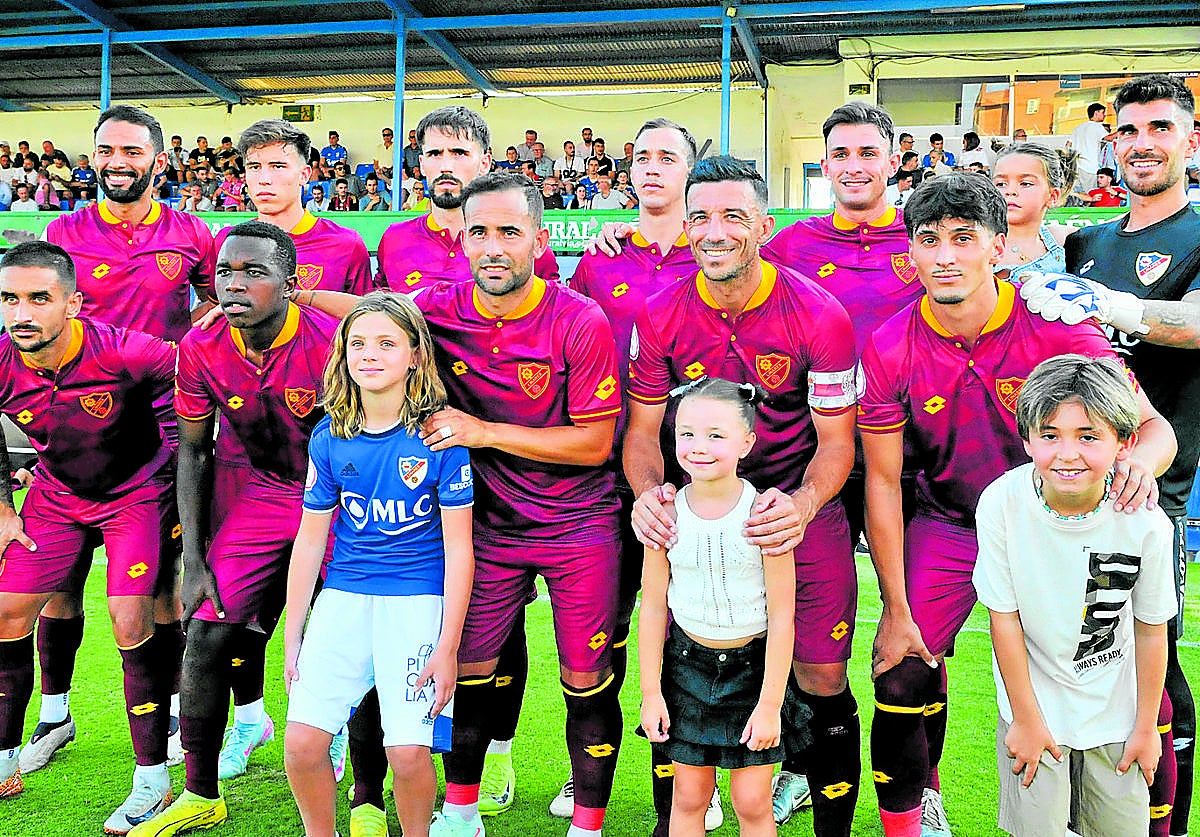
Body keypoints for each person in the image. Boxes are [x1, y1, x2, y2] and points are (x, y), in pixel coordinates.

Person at [857, 172, 1175, 837]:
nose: (945, 254)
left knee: (1138, 684)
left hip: (1060, 529)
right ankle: (915, 818)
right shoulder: (889, 346)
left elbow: (1153, 428)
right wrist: (894, 605)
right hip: (948, 521)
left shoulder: (1055, 324)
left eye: (964, 238)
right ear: (909, 252)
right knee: (901, 670)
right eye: (929, 239)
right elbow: (882, 483)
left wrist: (1139, 467)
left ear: (998, 247)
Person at [627, 156, 859, 837]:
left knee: (820, 675)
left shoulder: (819, 313)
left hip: (790, 515)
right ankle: (680, 818)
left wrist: (803, 505)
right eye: (699, 216)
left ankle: (829, 825)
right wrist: (648, 495)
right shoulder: (660, 311)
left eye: (732, 215)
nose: (714, 231)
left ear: (764, 223)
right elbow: (642, 433)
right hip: (696, 514)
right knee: (674, 669)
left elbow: (837, 443)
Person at [1026, 72, 1200, 837]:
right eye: (1127, 131)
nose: (1142, 145)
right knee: (1072, 667)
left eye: (1160, 128)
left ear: (1190, 141)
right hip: (1067, 493)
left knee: (1152, 675)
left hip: (1151, 490)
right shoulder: (1084, 243)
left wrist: (1118, 307)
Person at [128, 222, 341, 837]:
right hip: (266, 495)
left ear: (291, 283)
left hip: (339, 500)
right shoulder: (201, 346)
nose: (235, 285)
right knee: (207, 630)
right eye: (225, 272)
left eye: (254, 272)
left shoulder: (333, 343)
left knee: (343, 633)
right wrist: (194, 556)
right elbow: (193, 452)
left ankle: (366, 794)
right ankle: (200, 792)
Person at [28, 105, 215, 782]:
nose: (117, 162)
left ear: (158, 161)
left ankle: (161, 714)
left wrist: (185, 352)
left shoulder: (193, 232)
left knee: (157, 592)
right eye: (107, 150)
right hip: (72, 432)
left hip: (160, 434)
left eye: (132, 151)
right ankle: (54, 712)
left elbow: (209, 305)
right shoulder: (63, 231)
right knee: (58, 583)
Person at [201, 119, 374, 788]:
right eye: (255, 168)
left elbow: (369, 321)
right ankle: (249, 719)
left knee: (333, 603)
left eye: (279, 166)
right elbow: (210, 327)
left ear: (308, 172)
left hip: (330, 462)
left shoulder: (345, 244)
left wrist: (299, 295)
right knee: (241, 604)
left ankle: (328, 731)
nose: (266, 179)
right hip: (247, 459)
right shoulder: (227, 243)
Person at [0, 241, 181, 834]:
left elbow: (190, 399)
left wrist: (176, 492)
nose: (22, 313)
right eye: (9, 299)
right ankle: (5, 761)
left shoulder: (130, 352)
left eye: (38, 298)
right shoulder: (3, 358)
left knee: (131, 621)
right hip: (57, 496)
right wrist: (4, 505)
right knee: (6, 612)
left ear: (73, 303)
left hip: (135, 496)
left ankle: (152, 779)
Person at [283, 292, 475, 837]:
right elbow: (310, 540)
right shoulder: (329, 436)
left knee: (408, 752)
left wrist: (448, 646)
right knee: (301, 745)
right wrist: (295, 631)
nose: (369, 354)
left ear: (415, 354)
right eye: (358, 343)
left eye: (387, 343)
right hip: (342, 600)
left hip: (415, 605)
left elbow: (460, 549)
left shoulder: (440, 439)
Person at [562, 117, 704, 834]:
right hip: (606, 477)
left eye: (667, 157)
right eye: (640, 155)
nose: (651, 168)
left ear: (691, 168)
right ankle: (588, 776)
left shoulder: (714, 249)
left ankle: (686, 792)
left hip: (695, 482)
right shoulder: (599, 259)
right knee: (606, 634)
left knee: (690, 635)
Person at [973, 354, 1175, 837]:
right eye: (1049, 435)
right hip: (1034, 707)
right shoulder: (1001, 503)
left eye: (1088, 436)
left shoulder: (1146, 523)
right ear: (1026, 439)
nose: (1068, 454)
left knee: (1120, 829)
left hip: (1116, 715)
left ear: (1124, 443)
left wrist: (1146, 728)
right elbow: (1005, 620)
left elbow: (1151, 631)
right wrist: (1024, 719)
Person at [639, 378, 797, 837]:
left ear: (746, 443)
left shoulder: (765, 514)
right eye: (686, 433)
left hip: (753, 671)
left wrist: (770, 705)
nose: (698, 446)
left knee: (751, 802)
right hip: (688, 668)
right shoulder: (665, 514)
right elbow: (652, 608)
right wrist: (651, 693)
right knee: (687, 798)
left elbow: (783, 616)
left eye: (715, 435)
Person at [374, 105, 559, 294]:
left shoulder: (524, 247)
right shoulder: (394, 240)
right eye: (434, 154)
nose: (446, 166)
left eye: (459, 153)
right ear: (422, 164)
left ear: (484, 163)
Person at [991, 142, 1075, 281]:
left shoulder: (1062, 238)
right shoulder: (982, 249)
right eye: (1001, 184)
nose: (1010, 192)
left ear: (1052, 196)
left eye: (1025, 183)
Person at [1068, 103, 1113, 192]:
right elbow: (1108, 138)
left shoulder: (1078, 128)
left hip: (1077, 168)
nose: (1104, 115)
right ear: (1096, 113)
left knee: (1080, 197)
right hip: (1090, 168)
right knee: (1092, 195)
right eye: (1103, 112)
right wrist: (1122, 131)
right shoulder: (1096, 126)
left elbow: (1068, 145)